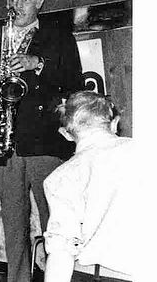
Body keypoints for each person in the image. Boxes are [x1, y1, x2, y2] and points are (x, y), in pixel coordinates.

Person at [0, 0, 84, 282]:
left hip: (45, 143)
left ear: (40, 2)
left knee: (54, 222)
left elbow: (74, 86)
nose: (18, 5)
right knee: (13, 227)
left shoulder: (59, 37)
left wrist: (38, 63)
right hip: (6, 147)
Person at [43, 91, 136, 282]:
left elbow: (61, 252)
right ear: (114, 123)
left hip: (108, 275)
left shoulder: (60, 178)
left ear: (66, 134)